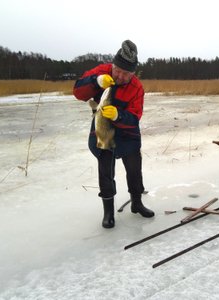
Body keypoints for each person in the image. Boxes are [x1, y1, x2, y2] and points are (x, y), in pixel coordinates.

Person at [73, 40, 154, 229]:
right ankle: (108, 212)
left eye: (126, 73)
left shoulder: (136, 88)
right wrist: (96, 81)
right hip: (103, 132)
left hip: (127, 133)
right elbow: (78, 92)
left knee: (134, 170)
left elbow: (134, 118)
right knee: (105, 172)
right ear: (113, 65)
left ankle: (137, 203)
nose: (119, 75)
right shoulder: (102, 71)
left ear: (133, 73)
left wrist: (118, 115)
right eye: (117, 70)